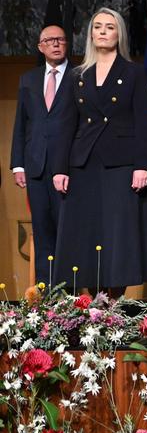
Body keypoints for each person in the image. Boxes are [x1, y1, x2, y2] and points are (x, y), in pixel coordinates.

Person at [52, 8, 147, 295]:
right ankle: (86, 305)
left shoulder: (134, 72)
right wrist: (60, 168)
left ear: (118, 33)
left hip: (121, 165)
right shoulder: (77, 75)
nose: (102, 31)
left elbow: (143, 122)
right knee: (83, 232)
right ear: (90, 34)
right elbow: (65, 126)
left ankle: (113, 304)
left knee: (116, 235)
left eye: (109, 27)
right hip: (83, 164)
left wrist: (142, 165)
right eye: (97, 26)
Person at [10, 25, 72, 283]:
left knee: (67, 234)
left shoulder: (80, 76)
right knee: (43, 232)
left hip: (67, 169)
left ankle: (72, 297)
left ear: (67, 44)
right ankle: (48, 299)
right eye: (50, 40)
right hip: (35, 167)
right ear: (40, 47)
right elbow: (21, 124)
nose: (56, 44)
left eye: (60, 39)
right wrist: (18, 165)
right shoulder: (29, 79)